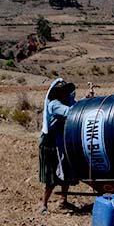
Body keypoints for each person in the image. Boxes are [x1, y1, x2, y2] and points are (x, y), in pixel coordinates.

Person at [39, 79, 77, 213]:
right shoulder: (55, 104)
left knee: (65, 170)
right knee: (51, 175)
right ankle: (44, 204)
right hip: (50, 143)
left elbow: (75, 106)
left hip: (60, 141)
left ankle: (63, 201)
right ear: (57, 93)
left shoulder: (64, 102)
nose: (65, 94)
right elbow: (70, 112)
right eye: (63, 91)